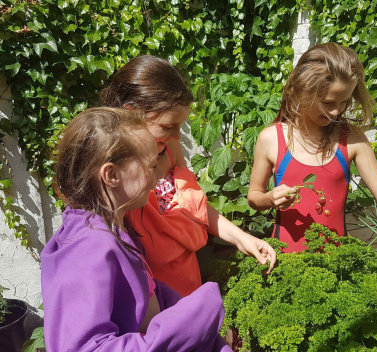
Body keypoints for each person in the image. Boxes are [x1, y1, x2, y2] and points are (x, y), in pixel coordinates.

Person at [247, 42, 377, 287]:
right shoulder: (271, 139)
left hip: (339, 270)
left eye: (345, 102)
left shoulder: (352, 138)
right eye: (327, 103)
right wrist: (269, 198)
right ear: (302, 91)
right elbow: (253, 196)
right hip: (283, 266)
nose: (337, 112)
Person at [41, 108, 232, 351]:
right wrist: (198, 314)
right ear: (111, 175)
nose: (160, 174)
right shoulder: (89, 248)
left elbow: (144, 295)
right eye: (151, 166)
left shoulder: (111, 228)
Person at [101, 55, 277, 296]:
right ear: (131, 114)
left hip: (188, 279)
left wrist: (241, 238)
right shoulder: (116, 171)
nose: (176, 135)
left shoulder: (168, 147)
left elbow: (194, 205)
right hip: (152, 295)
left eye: (180, 126)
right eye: (167, 126)